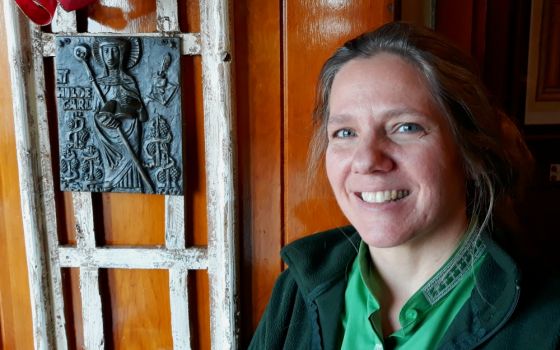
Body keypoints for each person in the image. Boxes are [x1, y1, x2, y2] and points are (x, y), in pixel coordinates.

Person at [249, 22, 560, 349]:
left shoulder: (547, 322)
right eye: (345, 133)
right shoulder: (297, 290)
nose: (367, 160)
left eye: (406, 127)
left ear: (470, 150)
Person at [92, 38, 149, 192]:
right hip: (108, 136)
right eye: (106, 51)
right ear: (101, 55)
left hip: (130, 133)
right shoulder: (99, 83)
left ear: (122, 53)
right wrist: (103, 119)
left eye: (114, 50)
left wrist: (137, 106)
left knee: (132, 165)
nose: (110, 56)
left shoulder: (129, 80)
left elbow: (143, 117)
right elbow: (94, 115)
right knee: (111, 171)